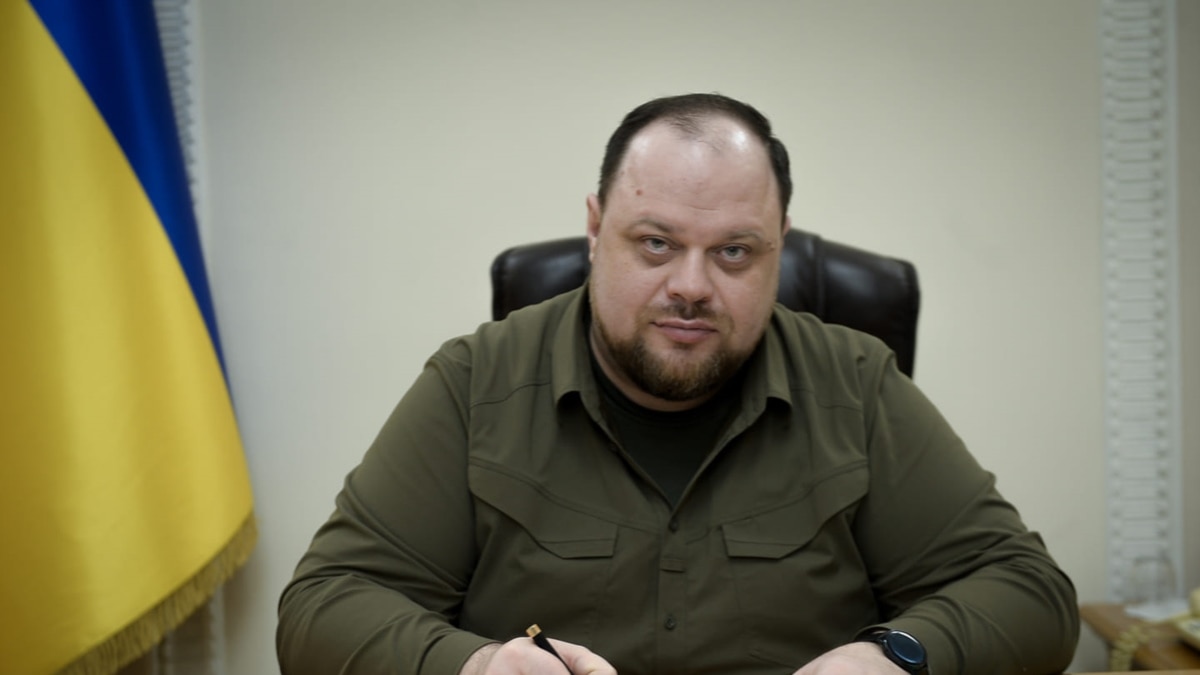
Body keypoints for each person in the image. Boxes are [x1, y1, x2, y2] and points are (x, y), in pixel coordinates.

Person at [277, 93, 1079, 675]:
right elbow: (324, 604)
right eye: (656, 243)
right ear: (596, 231)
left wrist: (891, 656)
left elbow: (1029, 591)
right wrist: (475, 664)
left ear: (779, 246)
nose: (692, 286)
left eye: (734, 252)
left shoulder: (856, 384)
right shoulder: (476, 380)